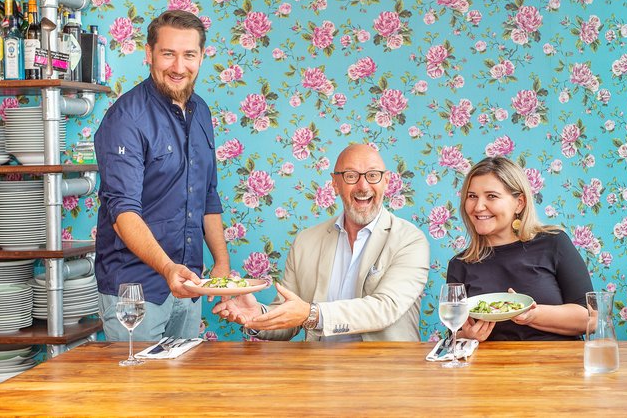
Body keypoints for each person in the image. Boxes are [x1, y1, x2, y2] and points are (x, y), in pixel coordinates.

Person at [94, 10, 230, 341]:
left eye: (189, 55)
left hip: (188, 284)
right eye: (168, 53)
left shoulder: (201, 111)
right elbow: (122, 212)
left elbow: (207, 195)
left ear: (201, 57)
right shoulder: (126, 118)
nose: (178, 67)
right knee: (138, 390)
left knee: (182, 389)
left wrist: (221, 265)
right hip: (135, 292)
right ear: (149, 54)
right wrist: (168, 268)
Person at [212, 144, 429, 341]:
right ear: (335, 184)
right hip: (319, 373)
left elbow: (385, 308)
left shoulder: (410, 240)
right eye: (351, 176)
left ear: (386, 181)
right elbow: (289, 318)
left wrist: (311, 314)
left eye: (373, 175)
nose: (363, 186)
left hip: (386, 377)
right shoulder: (305, 242)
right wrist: (258, 316)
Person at [446, 156, 593, 341]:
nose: (478, 206)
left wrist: (533, 314)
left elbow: (590, 319)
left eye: (491, 196)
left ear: (519, 203)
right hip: (489, 368)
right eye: (472, 196)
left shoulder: (554, 243)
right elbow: (453, 332)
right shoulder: (460, 264)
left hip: (557, 364)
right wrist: (466, 335)